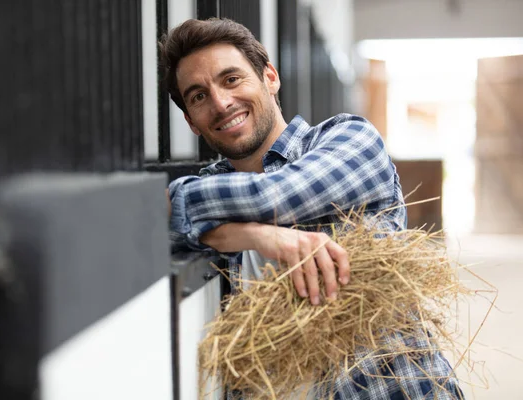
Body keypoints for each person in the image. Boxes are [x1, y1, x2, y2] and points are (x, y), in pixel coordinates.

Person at [161, 18, 463, 399]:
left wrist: (194, 213)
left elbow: (272, 196)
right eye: (199, 96)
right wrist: (258, 236)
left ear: (270, 77)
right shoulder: (212, 187)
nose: (221, 102)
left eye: (232, 79)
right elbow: (147, 225)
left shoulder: (350, 140)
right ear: (190, 121)